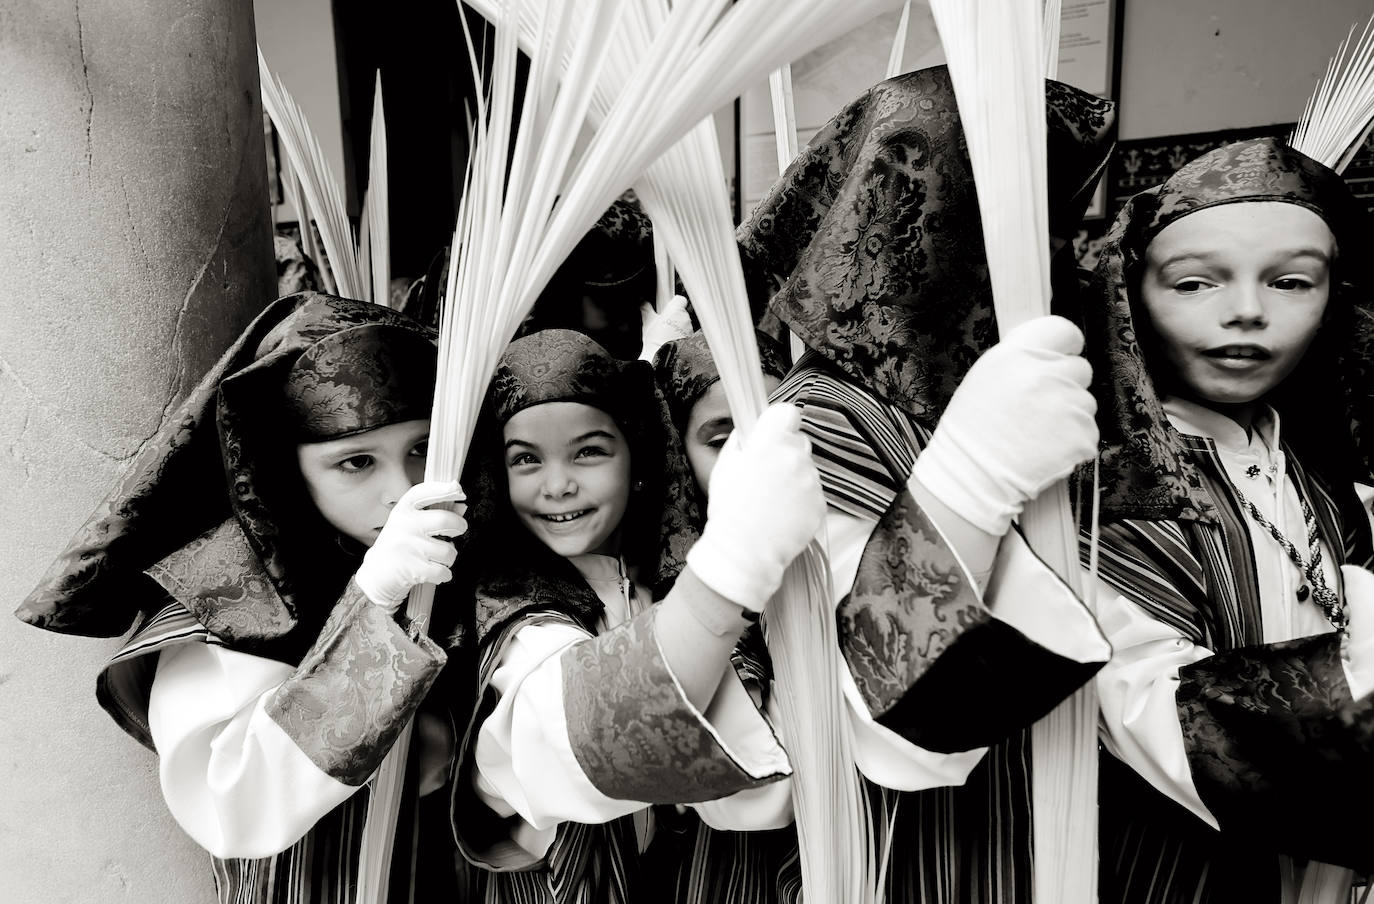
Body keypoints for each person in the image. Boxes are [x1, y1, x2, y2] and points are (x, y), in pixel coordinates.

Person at [728, 65, 1117, 902]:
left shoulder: (1072, 389)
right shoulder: (818, 423)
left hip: (1055, 822)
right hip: (903, 851)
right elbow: (874, 713)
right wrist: (969, 484)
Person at [16, 293, 476, 903]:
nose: (402, 490)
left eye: (421, 449)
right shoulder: (224, 592)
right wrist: (369, 605)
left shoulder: (453, 545)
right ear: (286, 465)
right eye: (356, 462)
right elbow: (232, 804)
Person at [1081, 136, 1374, 904]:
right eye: (1194, 283)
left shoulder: (1322, 484)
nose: (1247, 311)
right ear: (1131, 296)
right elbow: (1150, 709)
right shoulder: (1102, 493)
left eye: (1289, 281)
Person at [453, 328, 821, 902]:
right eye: (526, 459)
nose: (558, 485)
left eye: (589, 451)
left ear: (639, 456)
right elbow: (590, 737)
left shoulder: (656, 582)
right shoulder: (511, 606)